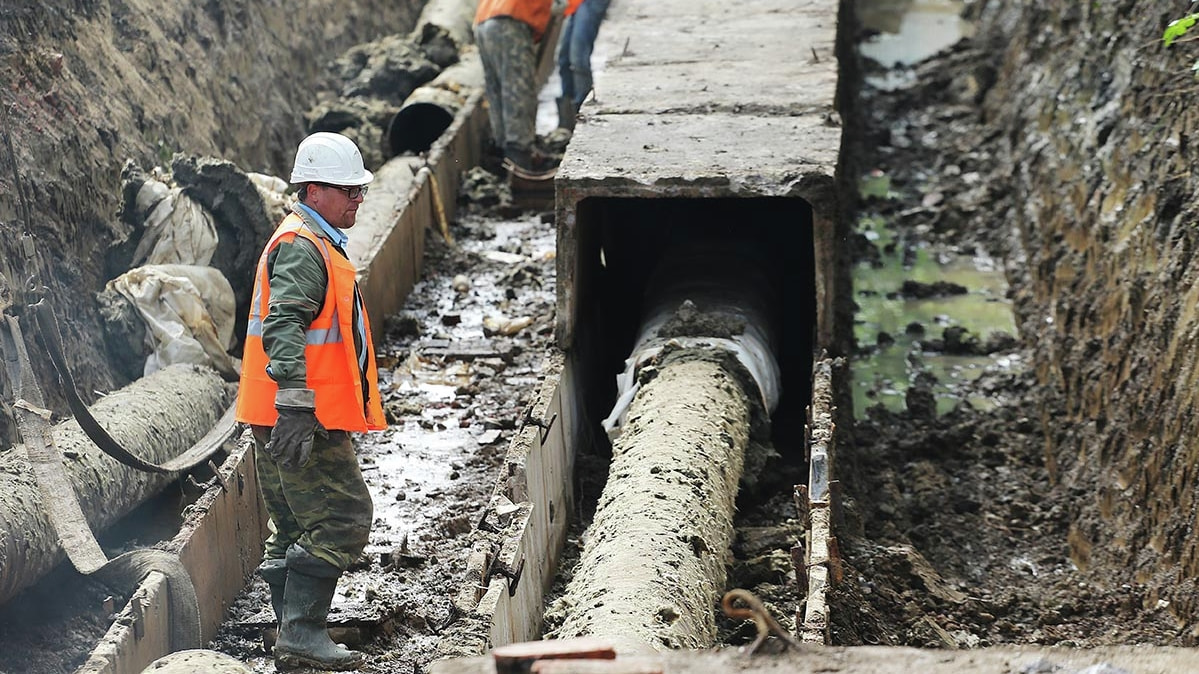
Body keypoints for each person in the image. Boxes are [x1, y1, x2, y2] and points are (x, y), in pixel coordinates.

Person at [235, 131, 386, 671]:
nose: (357, 200)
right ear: (314, 190)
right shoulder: (303, 248)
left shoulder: (310, 239)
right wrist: (298, 406)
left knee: (295, 524)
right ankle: (301, 636)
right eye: (348, 190)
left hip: (275, 411)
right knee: (344, 517)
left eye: (360, 190)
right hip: (301, 416)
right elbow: (284, 326)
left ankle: (293, 638)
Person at [473, 0, 555, 178]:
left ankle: (504, 161)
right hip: (510, 20)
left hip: (484, 20)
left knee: (498, 92)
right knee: (519, 91)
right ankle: (520, 164)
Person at [555, 0, 611, 130]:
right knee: (564, 59)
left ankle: (580, 113)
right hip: (576, 3)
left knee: (578, 57)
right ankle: (566, 124)